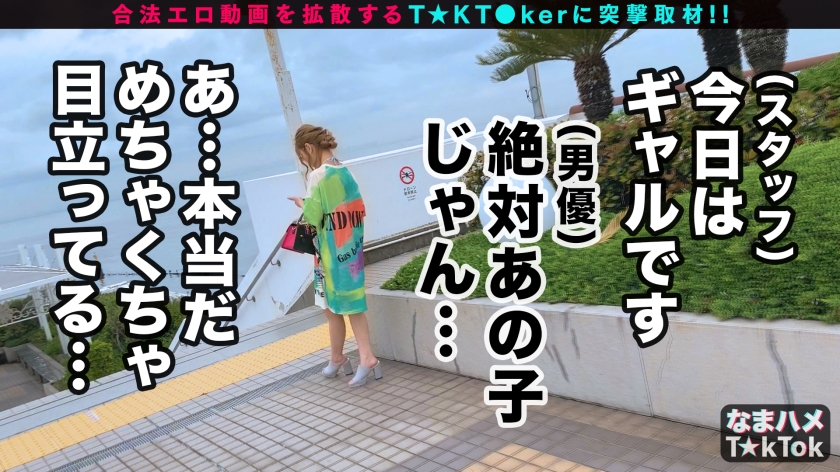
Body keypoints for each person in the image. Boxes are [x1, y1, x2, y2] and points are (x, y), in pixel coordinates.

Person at [287, 124, 382, 387]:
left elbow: (312, 217)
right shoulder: (345, 172)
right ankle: (337, 357)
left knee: (341, 306)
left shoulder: (318, 176)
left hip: (328, 256)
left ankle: (366, 357)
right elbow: (359, 210)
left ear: (308, 148)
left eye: (302, 157)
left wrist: (302, 204)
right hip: (351, 252)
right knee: (340, 306)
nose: (305, 163)